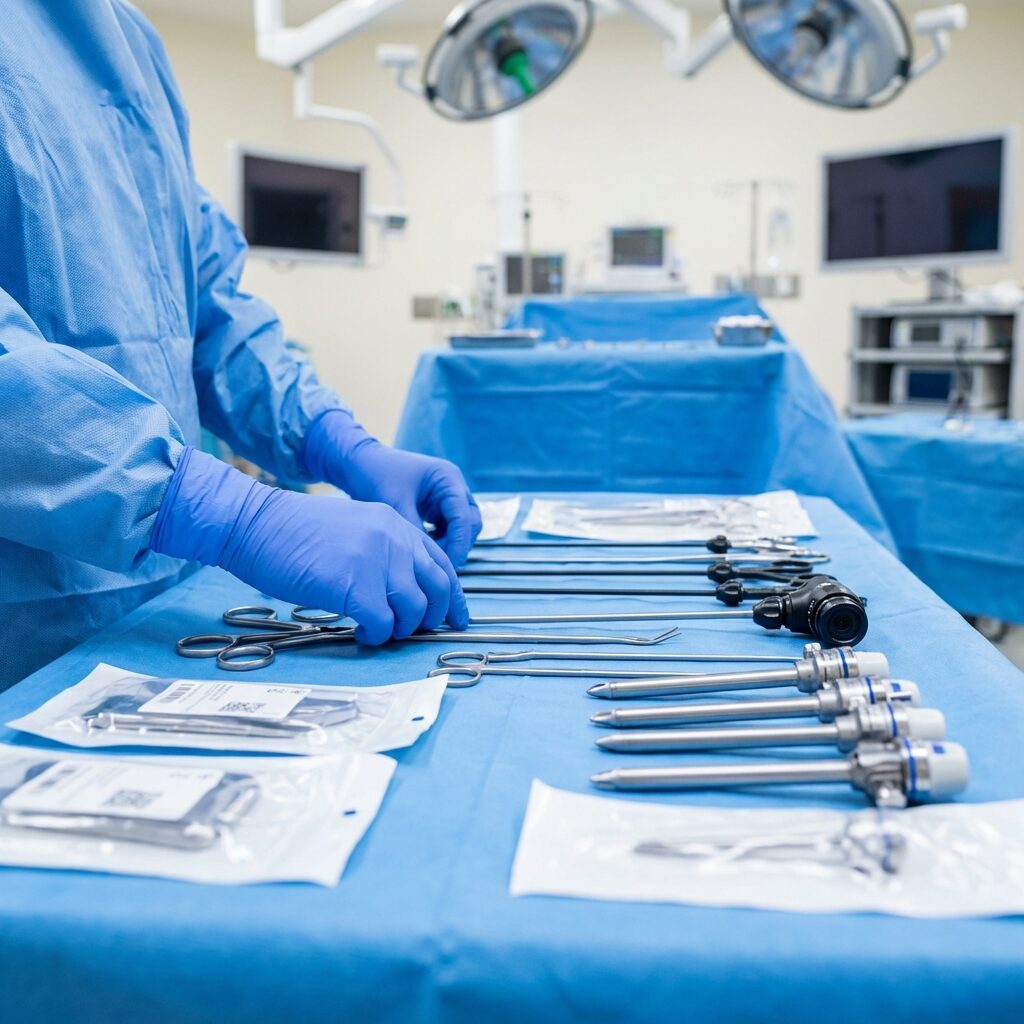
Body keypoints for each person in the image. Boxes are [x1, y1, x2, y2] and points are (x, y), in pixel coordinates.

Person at [0, 2, 481, 690]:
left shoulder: (124, 39)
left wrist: (334, 440)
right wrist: (215, 510)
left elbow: (201, 303)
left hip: (158, 607)